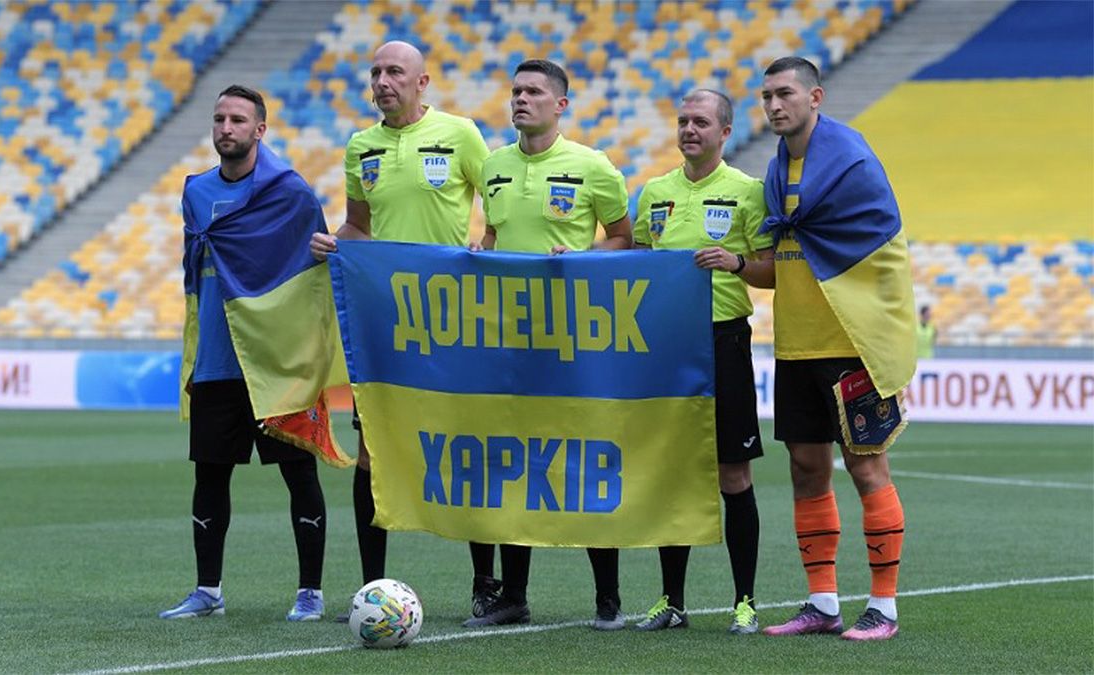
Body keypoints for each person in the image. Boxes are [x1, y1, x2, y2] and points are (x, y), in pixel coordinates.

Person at [308, 41, 499, 622]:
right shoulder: (361, 146)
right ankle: (373, 588)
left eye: (395, 71)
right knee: (374, 450)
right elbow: (360, 225)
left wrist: (483, 249)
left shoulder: (461, 134)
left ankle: (486, 585)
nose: (383, 80)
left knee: (469, 447)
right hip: (386, 320)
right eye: (376, 72)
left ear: (423, 83)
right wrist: (333, 243)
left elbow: (500, 209)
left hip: (453, 318)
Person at [466, 59, 633, 631]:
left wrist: (583, 261)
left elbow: (623, 240)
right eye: (515, 90)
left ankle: (607, 600)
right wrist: (482, 249)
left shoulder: (593, 166)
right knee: (512, 462)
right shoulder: (493, 166)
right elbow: (492, 235)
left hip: (571, 339)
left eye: (534, 91)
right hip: (509, 338)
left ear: (561, 105)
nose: (521, 98)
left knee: (584, 463)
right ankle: (512, 596)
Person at [758, 56, 915, 641]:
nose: (774, 106)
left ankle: (884, 608)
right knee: (805, 471)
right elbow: (788, 253)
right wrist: (738, 265)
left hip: (851, 344)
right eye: (767, 96)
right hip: (795, 343)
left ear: (815, 96)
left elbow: (882, 239)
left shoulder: (850, 160)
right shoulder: (776, 171)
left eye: (784, 94)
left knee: (866, 467)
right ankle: (822, 604)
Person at [161, 85, 330, 621]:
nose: (226, 128)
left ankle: (311, 592)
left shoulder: (292, 194)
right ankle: (207, 590)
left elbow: (311, 276)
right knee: (209, 474)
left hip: (278, 362)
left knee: (299, 473)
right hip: (216, 358)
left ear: (260, 130)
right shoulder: (195, 193)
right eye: (219, 119)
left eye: (237, 120)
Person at [631, 90, 774, 634]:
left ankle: (745, 601)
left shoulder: (746, 192)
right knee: (669, 473)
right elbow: (635, 261)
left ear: (725, 132)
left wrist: (737, 262)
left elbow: (773, 271)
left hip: (723, 342)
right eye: (683, 121)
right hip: (665, 345)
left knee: (732, 474)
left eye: (700, 122)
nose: (689, 129)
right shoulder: (656, 192)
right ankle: (671, 601)